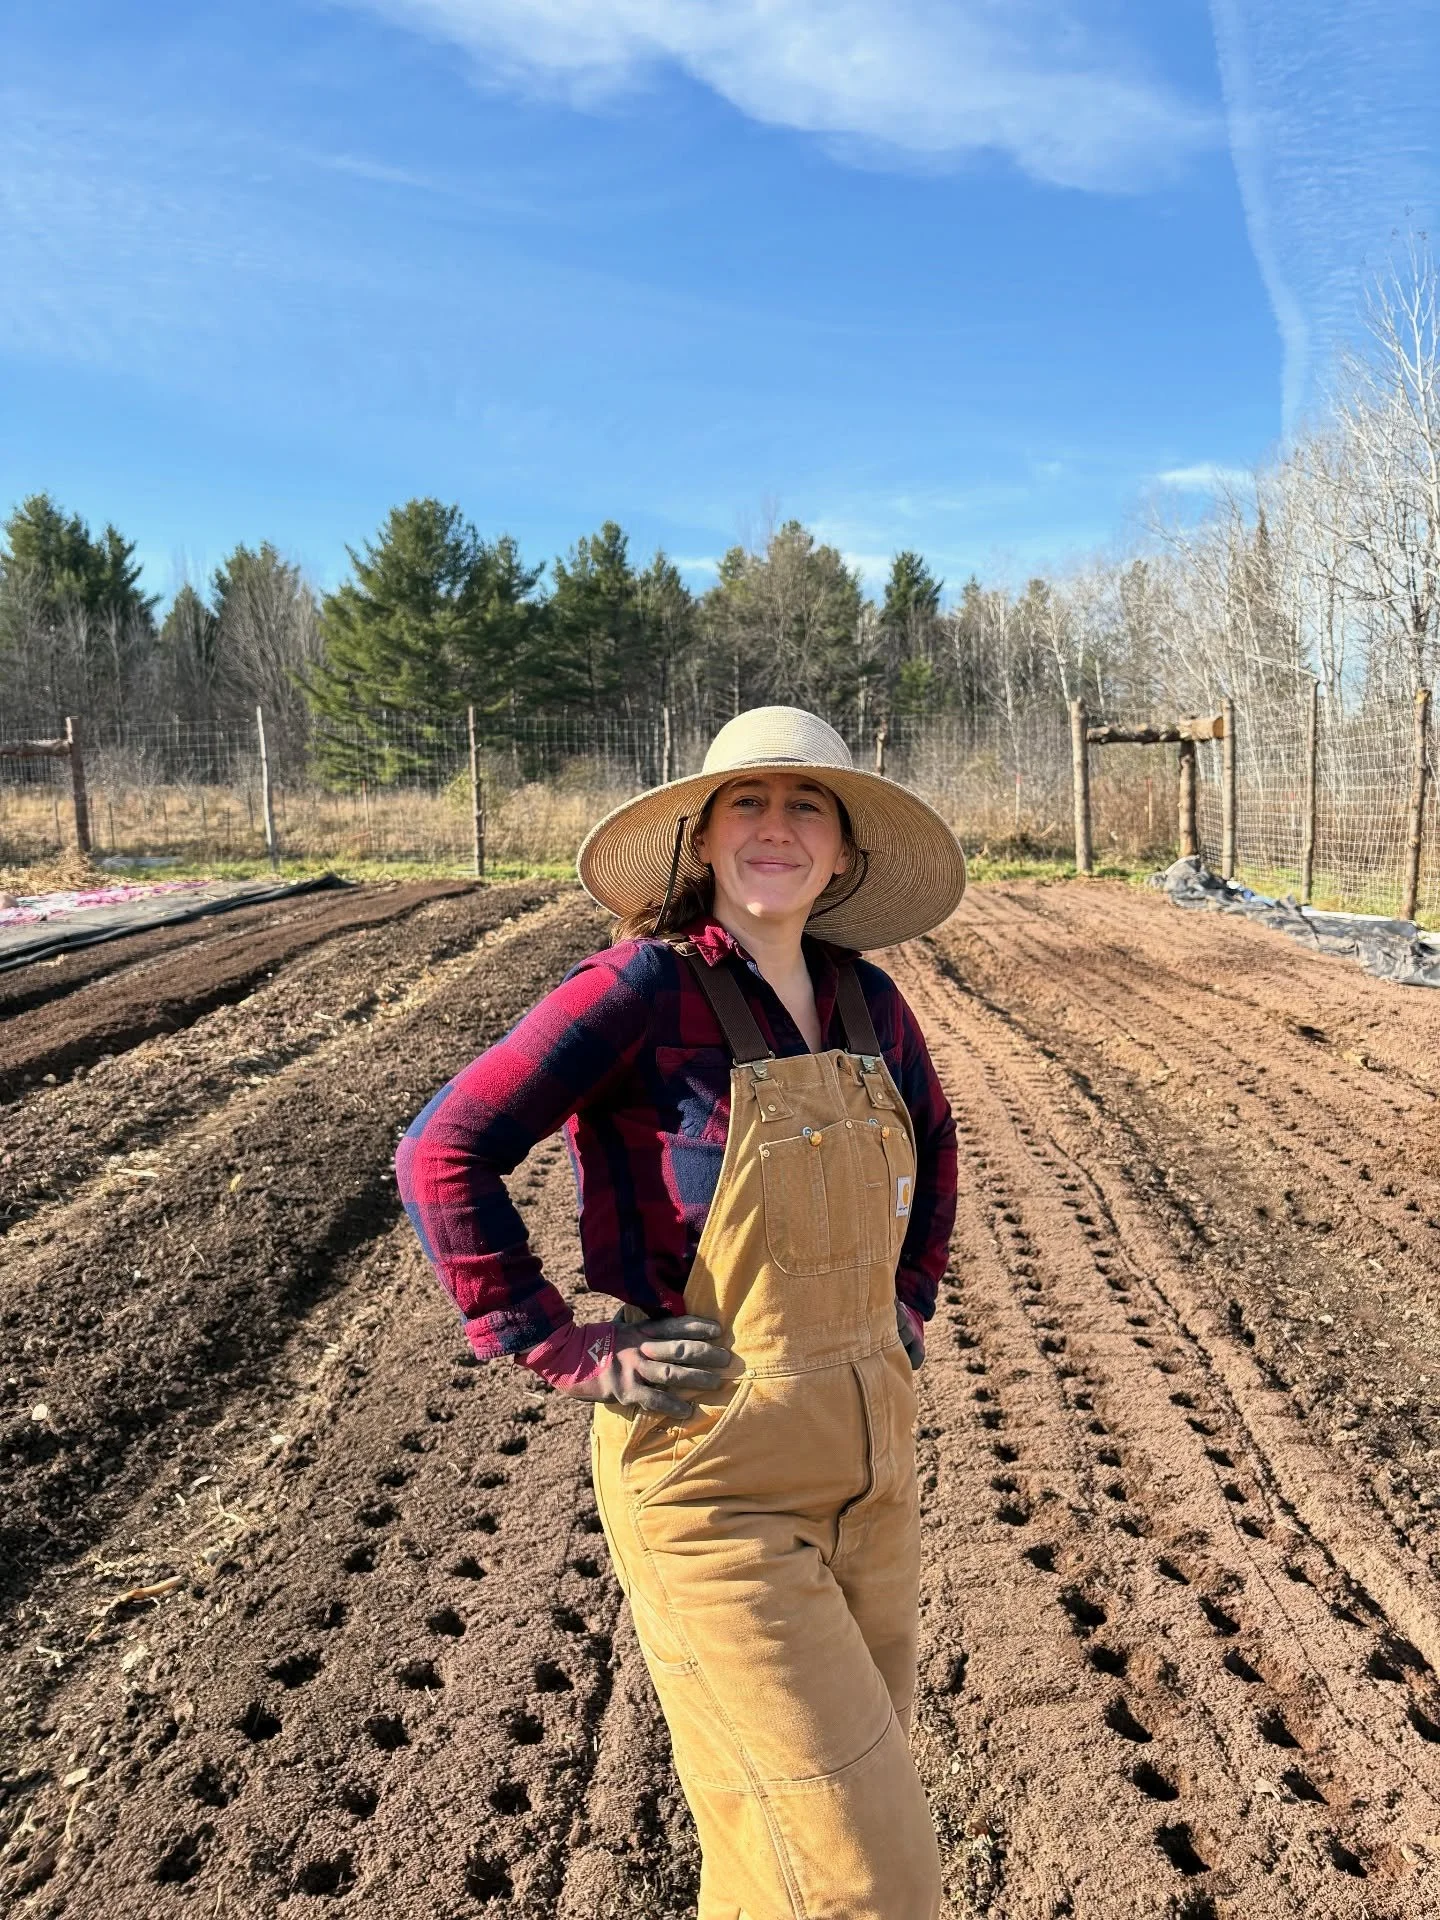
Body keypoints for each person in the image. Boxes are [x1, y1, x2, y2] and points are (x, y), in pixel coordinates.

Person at [397, 707, 965, 1919]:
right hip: (716, 1481)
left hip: (877, 1475)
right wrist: (553, 1340)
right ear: (702, 839)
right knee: (869, 1881)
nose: (776, 826)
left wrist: (903, 1313)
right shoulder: (642, 989)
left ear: (844, 853)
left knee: (779, 1850)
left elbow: (941, 1157)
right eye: (746, 803)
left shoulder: (868, 1006)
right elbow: (444, 1150)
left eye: (805, 804)